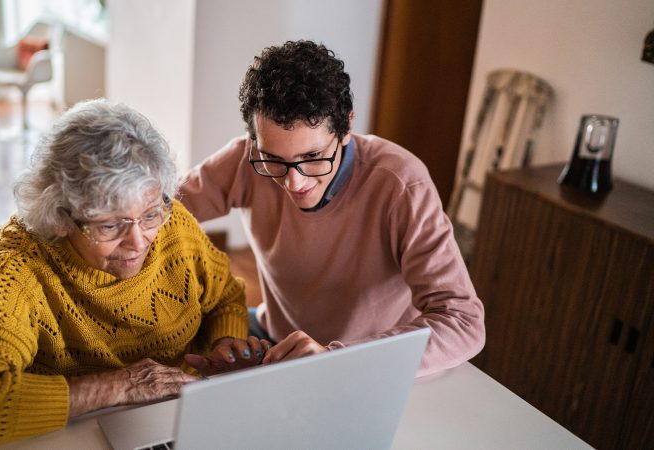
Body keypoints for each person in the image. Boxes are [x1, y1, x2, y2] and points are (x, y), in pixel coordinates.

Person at [0, 99, 267, 448]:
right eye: (110, 226)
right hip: (80, 431)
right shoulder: (17, 264)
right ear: (61, 218)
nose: (138, 242)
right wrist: (121, 385)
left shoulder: (172, 223)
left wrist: (223, 344)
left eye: (150, 215)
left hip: (180, 420)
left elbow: (224, 295)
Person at [179, 40, 486, 377]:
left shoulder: (401, 184)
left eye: (312, 157)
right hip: (273, 340)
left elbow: (463, 322)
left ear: (346, 127)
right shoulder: (246, 160)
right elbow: (156, 209)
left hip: (362, 361)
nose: (294, 183)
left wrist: (335, 359)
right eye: (274, 159)